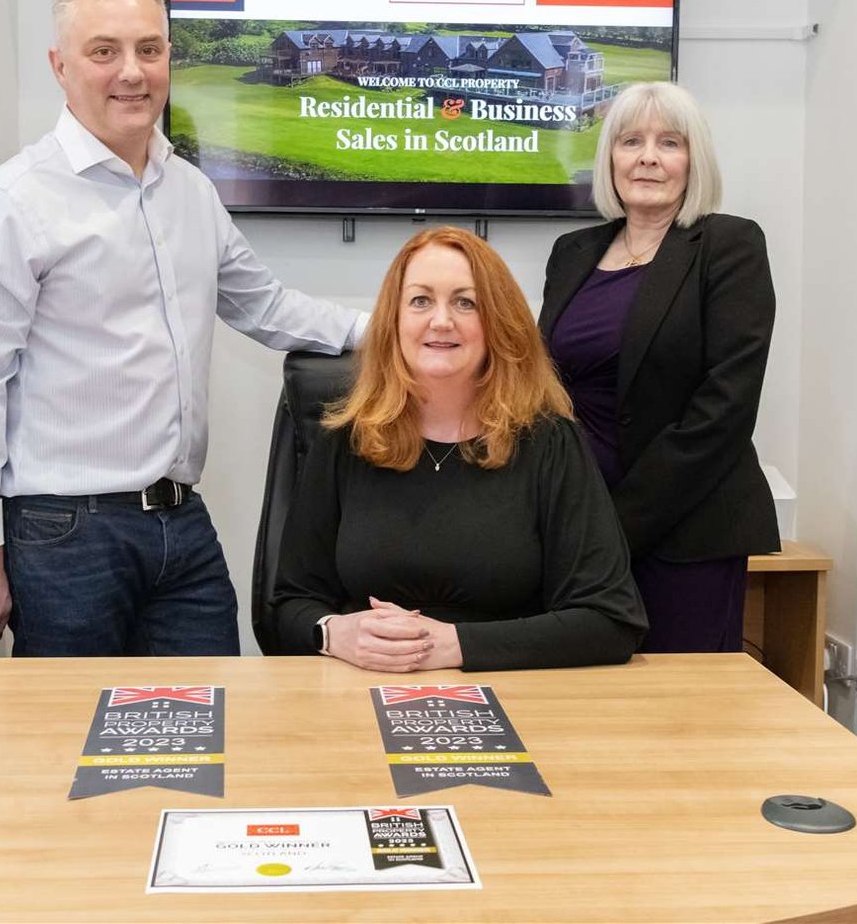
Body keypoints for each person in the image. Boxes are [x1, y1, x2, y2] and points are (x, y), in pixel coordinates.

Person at [0, 0, 366, 658]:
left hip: (181, 525)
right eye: (104, 51)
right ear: (60, 66)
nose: (132, 71)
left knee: (206, 738)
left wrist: (389, 331)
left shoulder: (188, 190)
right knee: (71, 749)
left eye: (149, 49)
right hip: (61, 534)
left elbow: (266, 305)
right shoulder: (11, 204)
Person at [269, 227, 646, 672]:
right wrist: (335, 634)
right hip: (361, 696)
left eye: (465, 302)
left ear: (497, 324)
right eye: (420, 301)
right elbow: (287, 606)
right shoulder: (347, 440)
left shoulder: (548, 442)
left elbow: (610, 621)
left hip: (514, 698)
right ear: (394, 320)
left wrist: (455, 645)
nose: (441, 320)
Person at [539, 81, 779, 653]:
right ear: (610, 158)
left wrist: (621, 524)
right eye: (631, 142)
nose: (647, 157)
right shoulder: (572, 252)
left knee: (682, 724)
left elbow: (725, 406)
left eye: (669, 142)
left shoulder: (729, 245)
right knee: (586, 711)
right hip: (579, 528)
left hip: (685, 531)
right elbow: (543, 387)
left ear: (694, 160)